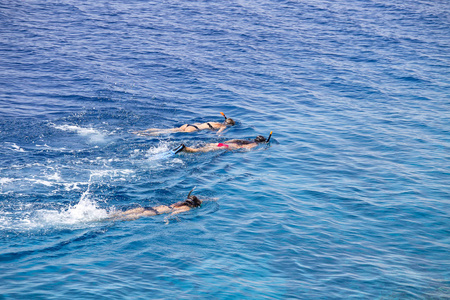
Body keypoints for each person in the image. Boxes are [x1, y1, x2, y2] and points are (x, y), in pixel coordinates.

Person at [111, 188, 202, 221]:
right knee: (121, 219)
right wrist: (167, 219)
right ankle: (107, 220)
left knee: (119, 214)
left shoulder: (178, 203)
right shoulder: (186, 208)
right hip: (154, 213)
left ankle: (107, 216)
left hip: (149, 208)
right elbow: (174, 213)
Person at [134, 112, 235, 136]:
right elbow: (219, 134)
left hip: (188, 125)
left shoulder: (214, 122)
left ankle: (141, 131)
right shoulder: (222, 126)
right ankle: (145, 134)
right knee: (164, 133)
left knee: (167, 130)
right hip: (193, 129)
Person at [173, 132, 273, 153]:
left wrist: (226, 143)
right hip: (226, 147)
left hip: (223, 143)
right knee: (200, 150)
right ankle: (185, 149)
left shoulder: (246, 139)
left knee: (206, 146)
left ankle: (186, 147)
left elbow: (233, 140)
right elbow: (247, 148)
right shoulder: (254, 144)